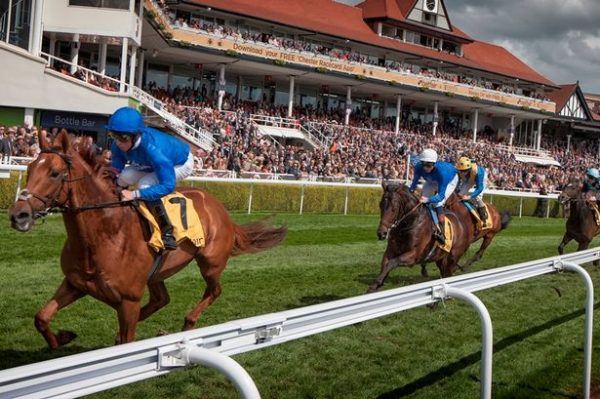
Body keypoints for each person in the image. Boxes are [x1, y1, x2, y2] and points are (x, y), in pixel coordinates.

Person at [107, 106, 194, 250]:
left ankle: (167, 231)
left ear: (136, 136)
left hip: (180, 163)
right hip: (149, 163)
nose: (118, 142)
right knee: (124, 177)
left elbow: (168, 185)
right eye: (113, 136)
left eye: (123, 138)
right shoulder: (119, 144)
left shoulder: (155, 151)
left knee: (145, 184)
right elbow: (117, 167)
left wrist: (133, 194)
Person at [409, 148, 458, 243]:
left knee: (438, 203)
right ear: (421, 163)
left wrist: (427, 200)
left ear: (434, 164)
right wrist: (410, 190)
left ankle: (442, 231)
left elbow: (440, 196)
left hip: (450, 180)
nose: (426, 168)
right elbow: (414, 184)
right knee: (422, 198)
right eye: (424, 164)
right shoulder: (418, 167)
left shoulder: (443, 173)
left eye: (429, 165)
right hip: (431, 180)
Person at [455, 156, 488, 223]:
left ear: (469, 168)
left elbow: (479, 188)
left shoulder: (478, 172)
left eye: (465, 171)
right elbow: (457, 182)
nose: (462, 173)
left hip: (480, 178)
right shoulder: (458, 170)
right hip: (468, 179)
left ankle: (483, 217)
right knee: (459, 194)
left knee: (477, 197)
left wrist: (469, 197)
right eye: (461, 171)